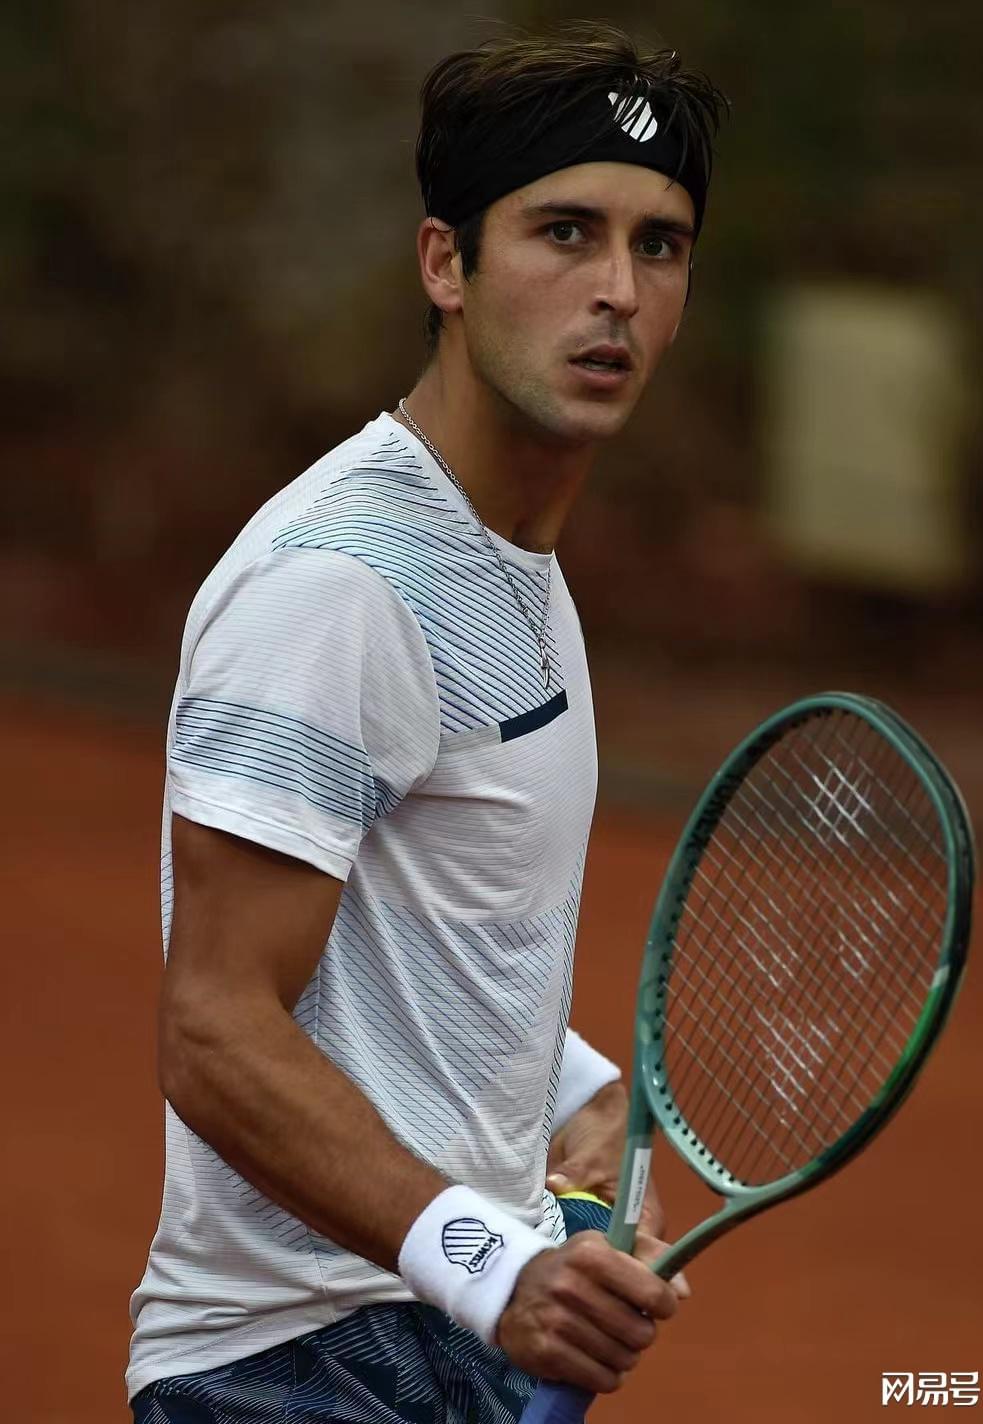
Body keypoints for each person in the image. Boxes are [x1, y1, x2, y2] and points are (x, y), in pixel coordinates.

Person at [127, 20, 727, 1423]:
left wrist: (573, 1097)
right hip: (296, 1369)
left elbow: (415, 940)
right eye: (565, 232)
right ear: (445, 264)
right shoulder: (344, 581)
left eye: (658, 246)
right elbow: (216, 1025)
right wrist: (493, 1265)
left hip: (438, 1344)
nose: (617, 291)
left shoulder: (505, 559)